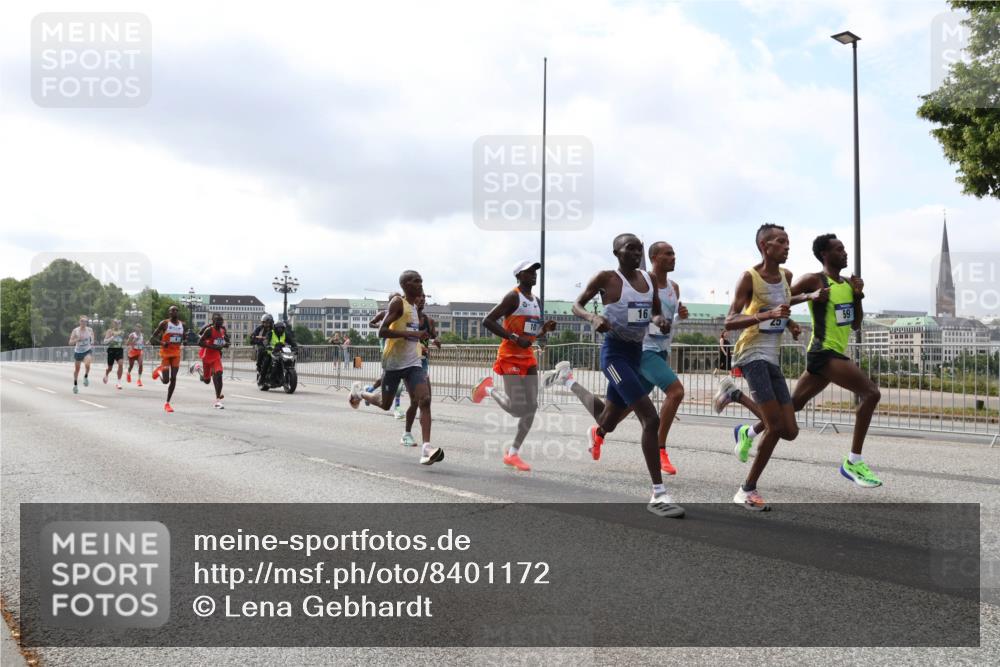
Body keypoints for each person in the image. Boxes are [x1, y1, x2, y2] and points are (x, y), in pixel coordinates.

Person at [542, 233, 684, 518]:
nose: (635, 253)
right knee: (650, 417)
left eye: (638, 248)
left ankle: (568, 379)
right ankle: (658, 493)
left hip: (635, 354)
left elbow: (654, 311)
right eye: (629, 248)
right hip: (615, 355)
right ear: (616, 253)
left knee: (608, 421)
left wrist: (660, 321)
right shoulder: (607, 278)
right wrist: (593, 318)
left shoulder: (647, 281)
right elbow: (577, 304)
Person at [737, 233, 882, 488]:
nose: (845, 253)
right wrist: (811, 296)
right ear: (825, 255)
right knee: (871, 393)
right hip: (823, 352)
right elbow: (781, 299)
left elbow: (856, 324)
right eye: (839, 249)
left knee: (791, 407)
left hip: (835, 352)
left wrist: (858, 296)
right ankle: (853, 461)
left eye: (845, 248)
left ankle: (748, 432)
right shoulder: (814, 279)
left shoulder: (849, 284)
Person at [724, 223, 824, 510]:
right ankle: (747, 489)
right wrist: (766, 314)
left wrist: (795, 315)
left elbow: (783, 301)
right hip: (751, 352)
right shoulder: (749, 277)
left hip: (772, 357)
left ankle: (744, 425)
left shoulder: (785, 275)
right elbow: (730, 321)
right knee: (775, 425)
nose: (787, 246)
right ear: (764, 246)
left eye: (788, 241)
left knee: (789, 430)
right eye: (781, 242)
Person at [350, 271, 444, 466]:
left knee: (424, 399)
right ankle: (360, 394)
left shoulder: (416, 309)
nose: (420, 284)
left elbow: (420, 334)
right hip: (393, 363)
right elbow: (382, 332)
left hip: (413, 363)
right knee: (385, 404)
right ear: (405, 284)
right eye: (415, 281)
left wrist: (425, 340)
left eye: (421, 281)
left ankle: (426, 448)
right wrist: (412, 334)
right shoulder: (397, 303)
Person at [472, 260, 556, 471]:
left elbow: (531, 333)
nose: (534, 275)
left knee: (532, 406)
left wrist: (544, 330)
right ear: (519, 276)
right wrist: (513, 337)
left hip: (527, 358)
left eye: (536, 271)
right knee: (518, 409)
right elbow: (488, 320)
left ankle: (513, 453)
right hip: (510, 357)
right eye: (529, 272)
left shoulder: (536, 300)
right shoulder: (513, 296)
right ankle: (488, 389)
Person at [638, 242, 689, 475]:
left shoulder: (674, 287)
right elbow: (639, 318)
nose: (674, 257)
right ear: (654, 257)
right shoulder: (643, 284)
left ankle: (599, 433)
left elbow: (667, 322)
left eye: (674, 253)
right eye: (668, 254)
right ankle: (660, 449)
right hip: (644, 349)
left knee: (624, 406)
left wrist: (680, 317)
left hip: (661, 350)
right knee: (676, 391)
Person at [402, 293, 442, 447]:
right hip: (409, 364)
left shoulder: (428, 320)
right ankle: (407, 434)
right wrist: (419, 347)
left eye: (424, 298)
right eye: (419, 297)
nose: (422, 300)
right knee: (414, 401)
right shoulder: (406, 319)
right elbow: (402, 340)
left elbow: (433, 337)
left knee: (426, 401)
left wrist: (436, 341)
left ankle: (426, 444)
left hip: (423, 364)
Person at [150, 306, 187, 412]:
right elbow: (153, 338)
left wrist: (185, 341)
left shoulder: (182, 324)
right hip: (166, 354)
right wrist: (162, 343)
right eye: (172, 310)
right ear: (169, 313)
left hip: (176, 354)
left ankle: (167, 403)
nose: (174, 312)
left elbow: (184, 337)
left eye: (176, 310)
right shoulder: (164, 323)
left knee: (174, 378)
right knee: (166, 381)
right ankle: (159, 370)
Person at [191, 312, 230, 409]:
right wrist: (212, 346)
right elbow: (199, 342)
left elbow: (227, 341)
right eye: (218, 320)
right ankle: (198, 368)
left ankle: (218, 401)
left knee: (219, 374)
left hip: (216, 356)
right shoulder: (208, 330)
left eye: (221, 321)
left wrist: (225, 344)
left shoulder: (222, 330)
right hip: (207, 356)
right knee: (207, 380)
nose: (220, 322)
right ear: (213, 321)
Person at [263, 320, 297, 385]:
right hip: (271, 352)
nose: (280, 329)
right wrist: (267, 345)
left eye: (281, 328)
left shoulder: (285, 334)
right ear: (275, 328)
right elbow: (266, 340)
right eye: (278, 328)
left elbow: (292, 341)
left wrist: (295, 347)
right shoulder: (270, 333)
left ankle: (285, 376)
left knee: (289, 360)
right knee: (267, 362)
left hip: (281, 352)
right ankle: (263, 378)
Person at [68, 315, 94, 394]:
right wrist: (77, 339)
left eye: (85, 321)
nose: (83, 323)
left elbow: (92, 337)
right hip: (78, 351)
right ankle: (75, 385)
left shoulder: (89, 330)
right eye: (82, 321)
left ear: (87, 322)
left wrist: (92, 341)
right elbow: (70, 342)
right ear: (79, 322)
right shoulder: (75, 330)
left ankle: (85, 377)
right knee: (77, 369)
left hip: (87, 350)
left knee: (87, 364)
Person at [250, 314, 275, 384]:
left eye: (267, 322)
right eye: (264, 322)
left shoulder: (274, 329)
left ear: (271, 322)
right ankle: (258, 367)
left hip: (272, 347)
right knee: (261, 350)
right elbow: (253, 336)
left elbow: (282, 335)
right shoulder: (259, 328)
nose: (265, 324)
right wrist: (255, 339)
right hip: (262, 346)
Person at [102, 319, 126, 390]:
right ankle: (106, 373)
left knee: (121, 364)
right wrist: (111, 338)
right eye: (115, 323)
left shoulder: (122, 332)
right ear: (113, 324)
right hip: (111, 350)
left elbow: (124, 341)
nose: (117, 325)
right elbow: (105, 342)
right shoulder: (110, 331)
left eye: (118, 323)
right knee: (110, 368)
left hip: (119, 350)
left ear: (120, 324)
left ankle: (118, 382)